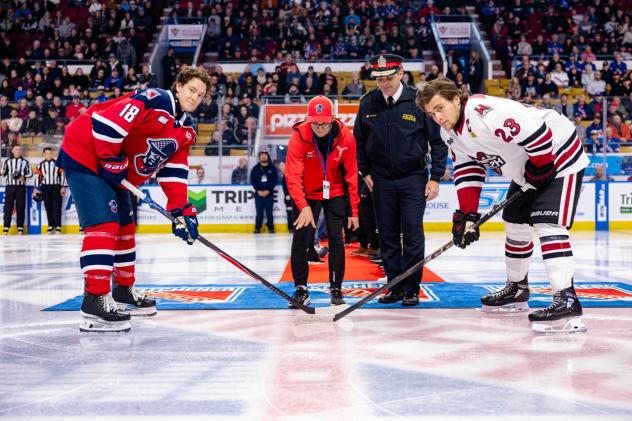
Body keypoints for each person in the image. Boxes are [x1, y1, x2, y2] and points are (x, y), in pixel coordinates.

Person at [417, 78, 590, 333]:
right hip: (527, 168)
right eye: (431, 114)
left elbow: (537, 130)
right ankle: (518, 288)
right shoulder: (449, 133)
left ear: (456, 99)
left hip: (558, 155)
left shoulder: (483, 112)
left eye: (439, 108)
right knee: (515, 223)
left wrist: (541, 166)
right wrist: (468, 215)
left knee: (548, 224)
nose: (437, 117)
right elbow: (468, 169)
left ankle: (567, 298)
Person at [57, 66, 212, 333]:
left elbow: (174, 170)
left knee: (126, 229)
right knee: (104, 227)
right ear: (179, 86)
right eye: (191, 90)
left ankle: (123, 291)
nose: (195, 97)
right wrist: (109, 158)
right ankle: (94, 300)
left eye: (200, 95)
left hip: (114, 169)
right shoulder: (154, 99)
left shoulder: (186, 129)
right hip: (86, 155)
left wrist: (181, 208)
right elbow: (109, 123)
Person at [354, 54, 447, 307]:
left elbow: (437, 143)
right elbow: (359, 143)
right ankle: (394, 285)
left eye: (387, 77)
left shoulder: (418, 102)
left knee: (413, 233)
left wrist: (435, 177)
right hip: (381, 180)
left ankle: (411, 288)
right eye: (378, 79)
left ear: (401, 73)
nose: (383, 83)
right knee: (387, 235)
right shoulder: (368, 103)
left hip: (413, 179)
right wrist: (365, 172)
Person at [285, 96, 360, 306]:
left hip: (334, 190)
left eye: (324, 122)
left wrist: (353, 210)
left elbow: (352, 175)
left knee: (336, 238)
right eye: (315, 122)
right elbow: (292, 176)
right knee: (301, 238)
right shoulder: (299, 137)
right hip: (307, 192)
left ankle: (336, 287)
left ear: (332, 119)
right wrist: (303, 206)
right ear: (309, 120)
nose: (319, 127)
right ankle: (301, 288)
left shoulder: (346, 138)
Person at [34, 147, 66, 234]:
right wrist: (36, 188)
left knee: (57, 206)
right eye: (47, 153)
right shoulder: (40, 165)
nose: (48, 155)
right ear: (44, 154)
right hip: (45, 187)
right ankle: (50, 225)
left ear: (52, 154)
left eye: (50, 153)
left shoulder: (58, 164)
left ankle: (58, 226)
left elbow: (63, 175)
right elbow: (38, 177)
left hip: (56, 186)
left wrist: (63, 186)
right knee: (48, 207)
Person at [1, 145, 32, 235]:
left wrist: (23, 177)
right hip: (10, 186)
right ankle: (6, 227)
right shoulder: (7, 161)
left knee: (20, 207)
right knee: (8, 207)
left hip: (20, 187)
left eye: (19, 149)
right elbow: (3, 173)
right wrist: (3, 173)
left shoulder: (25, 162)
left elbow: (30, 173)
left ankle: (20, 228)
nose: (18, 151)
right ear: (12, 151)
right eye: (16, 149)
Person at [250, 150, 277, 233]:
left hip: (269, 194)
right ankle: (257, 228)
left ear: (268, 156)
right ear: (259, 157)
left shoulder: (272, 168)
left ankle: (271, 228)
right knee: (259, 212)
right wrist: (258, 191)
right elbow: (253, 181)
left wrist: (268, 190)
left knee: (269, 212)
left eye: (265, 155)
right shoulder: (255, 169)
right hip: (258, 195)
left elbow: (274, 180)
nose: (263, 157)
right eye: (261, 155)